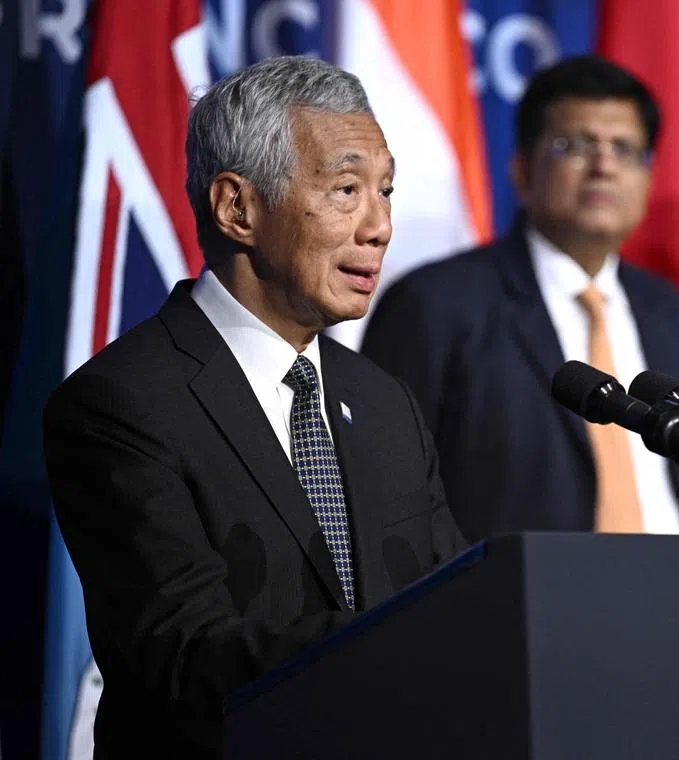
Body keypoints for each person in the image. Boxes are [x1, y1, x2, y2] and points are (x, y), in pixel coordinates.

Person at [42, 56, 465, 757]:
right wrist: (392, 640)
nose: (380, 226)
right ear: (237, 207)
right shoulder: (120, 404)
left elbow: (452, 595)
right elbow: (184, 655)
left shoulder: (383, 400)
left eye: (386, 191)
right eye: (347, 189)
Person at [360, 56, 679, 540]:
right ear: (522, 170)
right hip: (515, 603)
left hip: (676, 598)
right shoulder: (435, 305)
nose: (604, 166)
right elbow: (389, 497)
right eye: (576, 146)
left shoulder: (673, 313)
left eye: (625, 149)